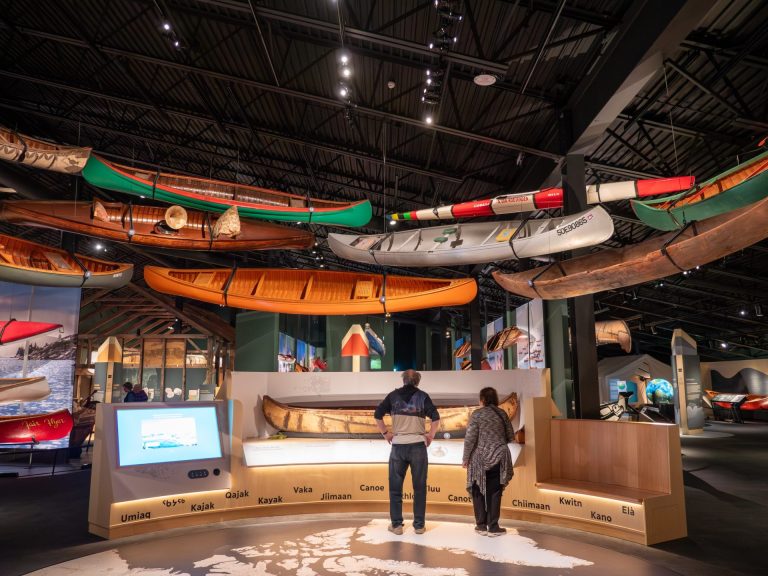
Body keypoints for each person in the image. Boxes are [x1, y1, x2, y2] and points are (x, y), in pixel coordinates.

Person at [374, 369, 440, 535]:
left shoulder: (392, 396)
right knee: (419, 487)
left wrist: (386, 433)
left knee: (395, 487)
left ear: (403, 380)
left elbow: (377, 415)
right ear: (417, 382)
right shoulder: (423, 396)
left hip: (398, 446)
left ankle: (396, 525)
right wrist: (430, 436)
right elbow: (436, 418)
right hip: (418, 445)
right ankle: (419, 526)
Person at [462, 386, 515, 536]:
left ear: (483, 399)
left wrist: (465, 458)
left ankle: (481, 525)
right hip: (499, 455)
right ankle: (493, 526)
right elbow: (511, 436)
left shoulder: (477, 414)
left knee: (477, 489)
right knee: (495, 491)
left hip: (479, 457)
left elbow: (470, 439)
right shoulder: (502, 413)